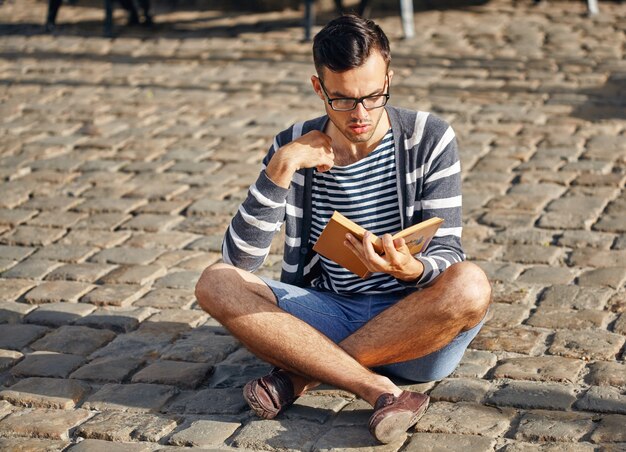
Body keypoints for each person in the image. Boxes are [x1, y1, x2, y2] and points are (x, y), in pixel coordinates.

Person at [195, 14, 491, 444]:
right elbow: (240, 261)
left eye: (374, 96)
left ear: (389, 76)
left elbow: (448, 250)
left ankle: (299, 378)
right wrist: (281, 167)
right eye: (343, 100)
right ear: (319, 88)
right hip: (329, 312)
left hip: (416, 326)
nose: (361, 114)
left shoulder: (429, 137)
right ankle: (377, 389)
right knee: (214, 283)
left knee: (471, 285)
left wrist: (410, 269)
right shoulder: (292, 143)